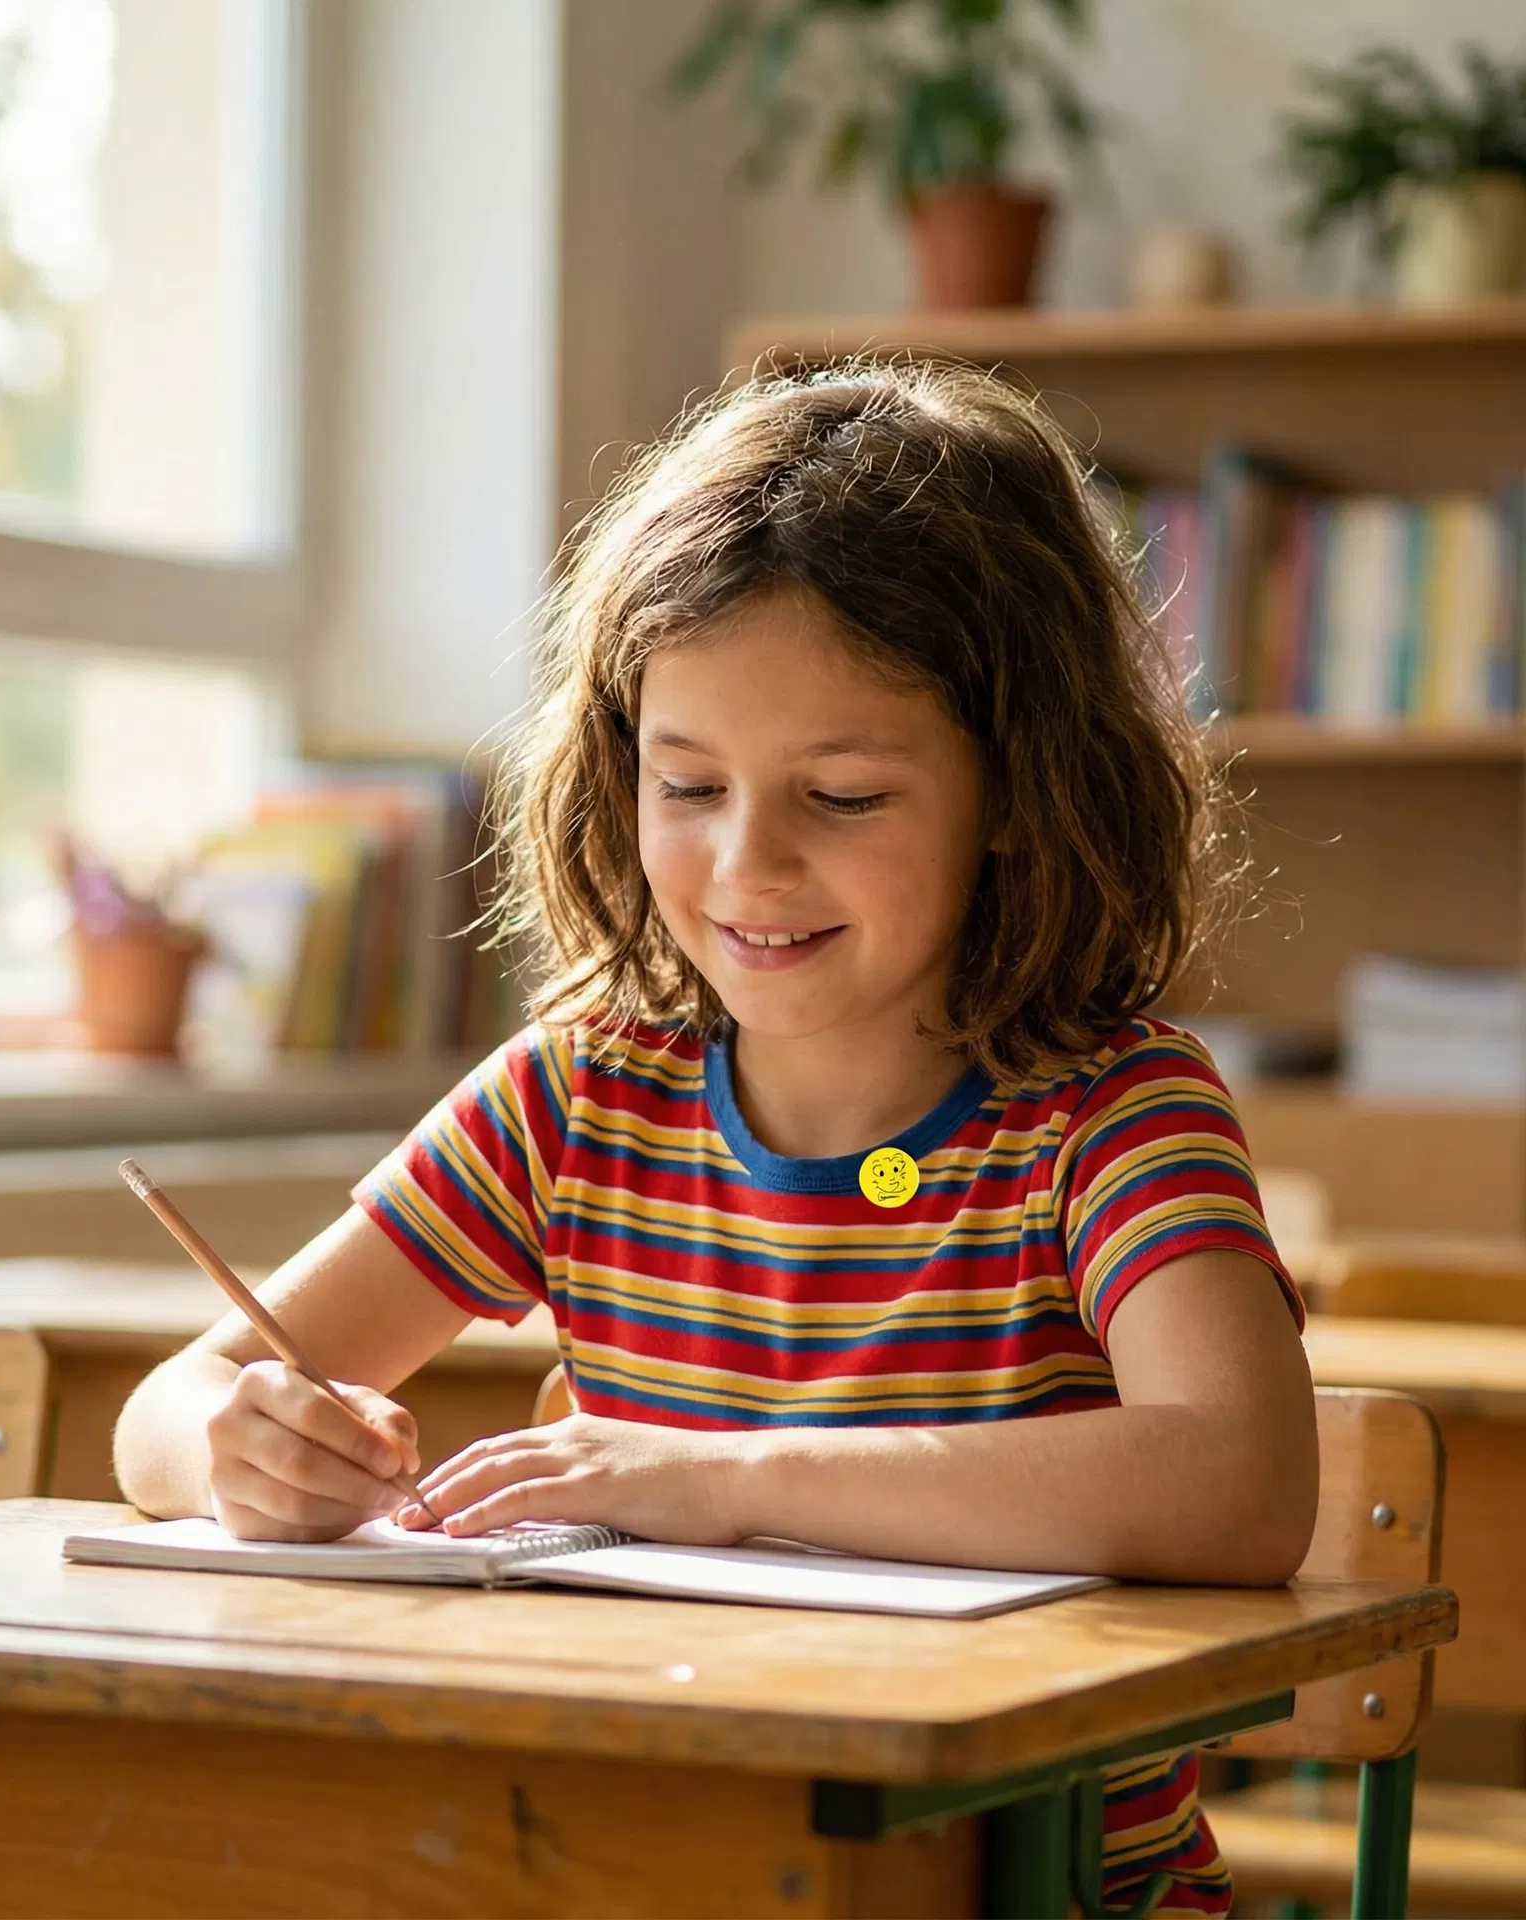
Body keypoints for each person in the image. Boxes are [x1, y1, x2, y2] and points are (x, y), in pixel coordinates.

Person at [114, 360, 1317, 1913]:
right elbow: (170, 1405)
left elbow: (1242, 1481)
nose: (749, 864)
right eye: (687, 783)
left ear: (1018, 790)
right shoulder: (580, 1097)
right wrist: (234, 1452)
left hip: (1036, 1887)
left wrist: (718, 1475)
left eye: (844, 793)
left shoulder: (1109, 1112)